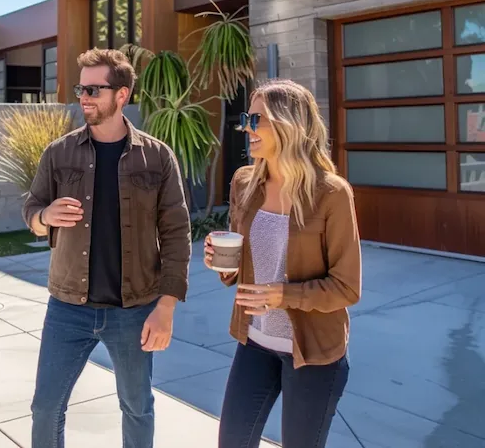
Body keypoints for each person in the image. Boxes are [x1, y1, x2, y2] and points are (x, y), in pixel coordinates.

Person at [23, 48, 192, 448]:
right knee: (46, 407)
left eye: (94, 89)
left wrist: (166, 308)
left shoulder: (157, 157)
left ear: (122, 95)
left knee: (137, 407)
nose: (84, 97)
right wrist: (45, 216)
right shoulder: (59, 152)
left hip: (133, 309)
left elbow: (176, 232)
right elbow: (31, 209)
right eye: (81, 89)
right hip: (68, 308)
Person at [204, 79, 361, 448]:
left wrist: (283, 296)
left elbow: (346, 287)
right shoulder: (244, 183)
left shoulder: (331, 194)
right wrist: (224, 264)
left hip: (313, 354)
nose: (246, 128)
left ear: (288, 124)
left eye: (255, 119)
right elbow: (243, 262)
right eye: (246, 119)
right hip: (254, 342)